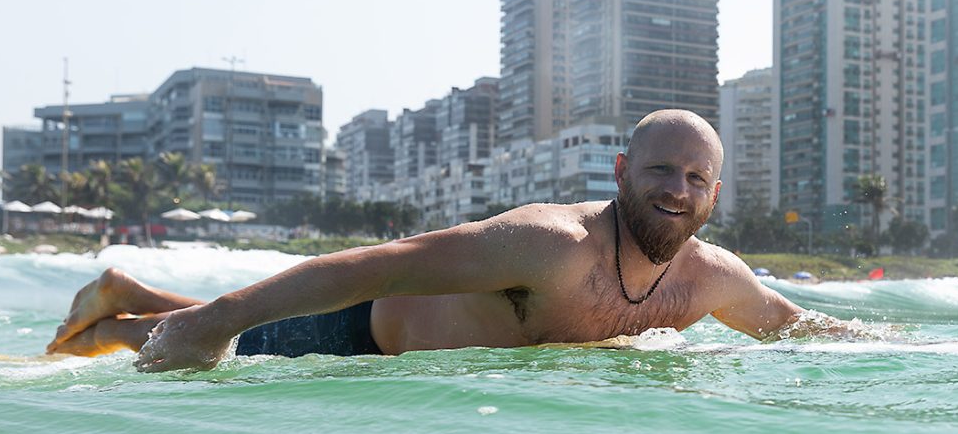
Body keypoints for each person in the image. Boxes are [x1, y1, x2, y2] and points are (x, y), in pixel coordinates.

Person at [46, 109, 820, 373]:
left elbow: (797, 327)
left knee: (223, 334)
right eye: (659, 169)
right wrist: (213, 322)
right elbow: (373, 264)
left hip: (411, 348)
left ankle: (129, 295)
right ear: (620, 170)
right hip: (365, 334)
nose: (675, 191)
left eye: (695, 178)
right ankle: (120, 318)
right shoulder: (546, 242)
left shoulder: (714, 277)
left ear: (715, 192)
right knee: (220, 348)